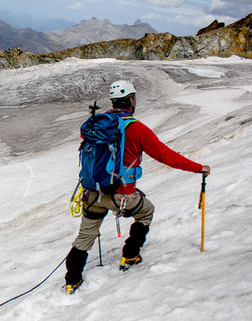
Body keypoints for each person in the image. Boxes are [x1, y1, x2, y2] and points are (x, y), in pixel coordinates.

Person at [64, 80, 211, 294]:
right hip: (122, 195)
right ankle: (130, 255)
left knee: (85, 236)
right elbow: (166, 156)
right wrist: (198, 168)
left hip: (92, 193)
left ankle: (72, 280)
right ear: (131, 100)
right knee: (146, 212)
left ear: (113, 101)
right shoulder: (137, 129)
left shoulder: (96, 124)